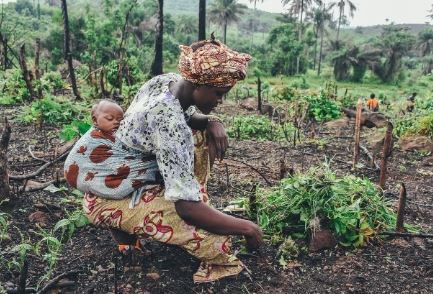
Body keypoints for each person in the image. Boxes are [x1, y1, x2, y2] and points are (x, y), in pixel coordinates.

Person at [74, 38, 263, 283]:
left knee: (197, 134)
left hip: (116, 177)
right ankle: (125, 227)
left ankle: (131, 231)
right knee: (217, 242)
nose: (220, 101)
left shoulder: (166, 82)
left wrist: (212, 121)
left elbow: (189, 114)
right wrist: (247, 228)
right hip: (106, 198)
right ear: (197, 84)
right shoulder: (169, 125)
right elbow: (187, 209)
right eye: (218, 94)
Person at [64, 100, 161, 200]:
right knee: (153, 164)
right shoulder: (92, 139)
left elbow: (130, 153)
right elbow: (80, 159)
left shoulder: (121, 135)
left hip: (115, 174)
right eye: (110, 119)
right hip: (102, 178)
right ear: (95, 120)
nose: (116, 122)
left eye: (120, 120)